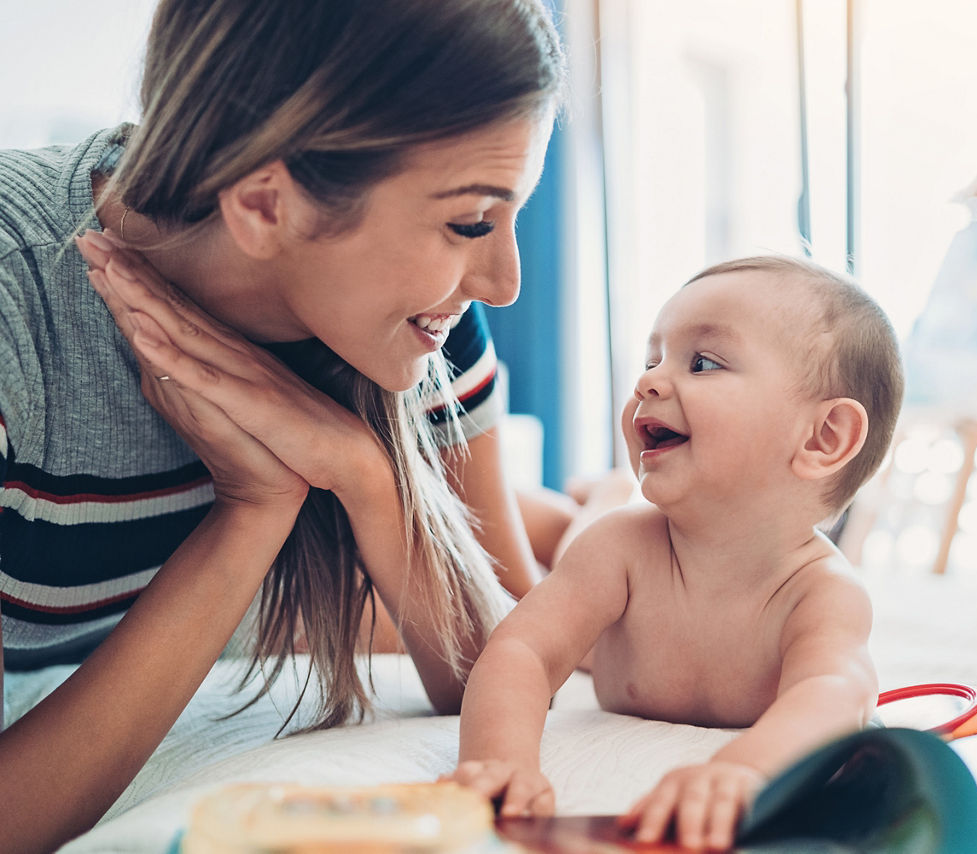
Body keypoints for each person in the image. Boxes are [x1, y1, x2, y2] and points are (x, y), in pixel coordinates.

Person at [0, 1, 565, 850]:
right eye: (471, 222)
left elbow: (509, 670)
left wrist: (366, 475)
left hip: (210, 619)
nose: (503, 280)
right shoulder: (19, 313)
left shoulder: (417, 313)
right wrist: (254, 507)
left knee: (585, 554)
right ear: (265, 206)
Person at [449, 255, 905, 851]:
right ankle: (594, 492)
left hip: (609, 541)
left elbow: (836, 695)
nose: (647, 382)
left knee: (578, 524)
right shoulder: (620, 547)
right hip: (602, 557)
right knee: (580, 527)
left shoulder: (822, 593)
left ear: (823, 438)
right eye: (650, 361)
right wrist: (500, 760)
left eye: (703, 362)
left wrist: (746, 770)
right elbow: (523, 651)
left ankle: (591, 493)